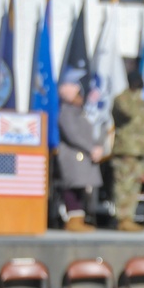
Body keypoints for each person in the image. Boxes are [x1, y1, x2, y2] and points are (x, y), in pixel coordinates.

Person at [57, 73, 103, 232]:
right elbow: (73, 135)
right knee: (72, 187)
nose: (81, 98)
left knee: (81, 187)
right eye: (77, 94)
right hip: (72, 156)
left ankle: (79, 219)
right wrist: (91, 149)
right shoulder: (66, 113)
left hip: (84, 156)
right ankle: (73, 220)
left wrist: (97, 146)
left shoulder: (80, 112)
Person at [110, 70, 144, 232]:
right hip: (125, 149)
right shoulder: (122, 99)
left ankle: (130, 217)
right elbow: (127, 113)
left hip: (138, 150)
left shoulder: (141, 101)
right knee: (123, 185)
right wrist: (133, 96)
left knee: (134, 185)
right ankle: (122, 218)